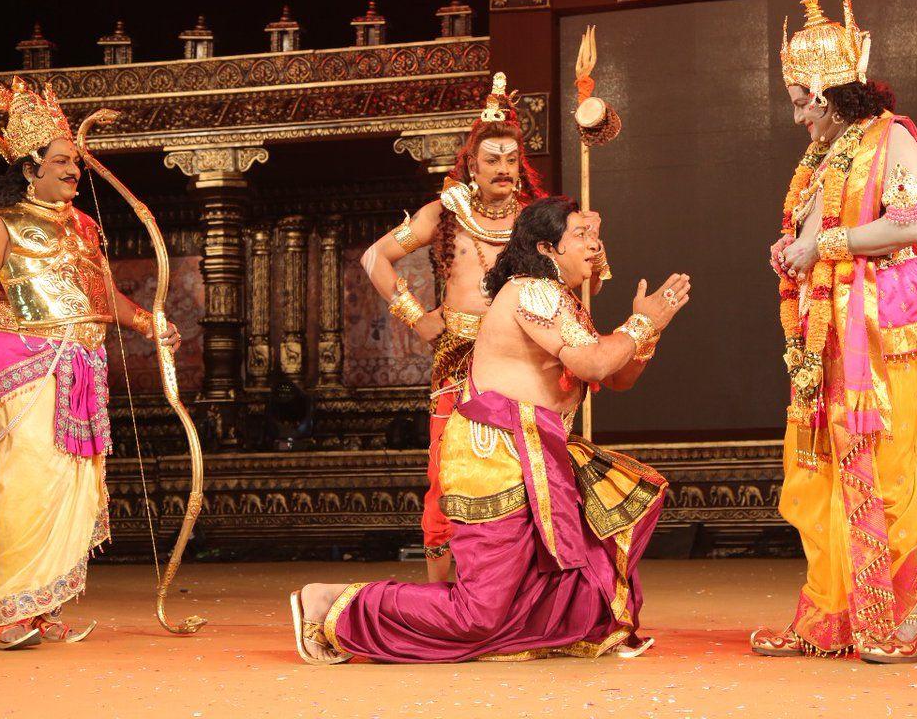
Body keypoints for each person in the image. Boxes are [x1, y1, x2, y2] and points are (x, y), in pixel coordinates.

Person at [292, 196, 689, 663]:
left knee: (574, 589)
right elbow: (594, 361)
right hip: (495, 455)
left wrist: (650, 329)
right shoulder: (531, 290)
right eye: (580, 234)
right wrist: (644, 321)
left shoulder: (558, 299)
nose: (595, 244)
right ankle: (327, 603)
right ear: (546, 247)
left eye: (594, 233)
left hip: (535, 455)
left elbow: (616, 374)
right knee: (476, 616)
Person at [750, 0, 917, 664]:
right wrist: (792, 250)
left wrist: (821, 243)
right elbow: (810, 236)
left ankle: (905, 622)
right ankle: (829, 618)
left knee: (886, 474)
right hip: (825, 337)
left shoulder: (892, 138)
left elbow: (912, 224)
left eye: (804, 101)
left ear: (832, 94)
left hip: (882, 335)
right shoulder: (821, 156)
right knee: (820, 473)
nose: (799, 114)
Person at [0, 76, 180, 649]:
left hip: (82, 367)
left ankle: (46, 606)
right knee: (28, 484)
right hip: (23, 365)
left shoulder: (84, 226)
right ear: (29, 168)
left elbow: (104, 293)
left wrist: (151, 324)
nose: (73, 170)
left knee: (73, 484)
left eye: (74, 162)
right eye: (60, 161)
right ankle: (12, 612)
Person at [361, 72, 609, 581]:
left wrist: (596, 256)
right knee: (446, 473)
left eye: (510, 159)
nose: (501, 168)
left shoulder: (538, 221)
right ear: (471, 164)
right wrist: (417, 317)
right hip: (458, 356)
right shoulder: (445, 213)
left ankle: (522, 586)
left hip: (524, 357)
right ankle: (441, 592)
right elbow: (374, 258)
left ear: (521, 165)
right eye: (491, 159)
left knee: (531, 467)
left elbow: (588, 288)